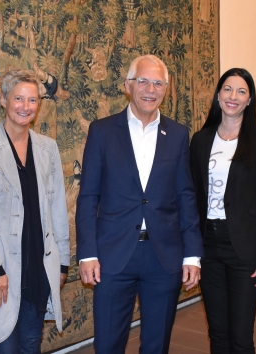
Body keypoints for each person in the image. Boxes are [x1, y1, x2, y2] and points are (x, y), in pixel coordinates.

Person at [76, 54, 203, 354]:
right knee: (107, 343)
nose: (150, 89)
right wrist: (87, 253)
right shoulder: (102, 131)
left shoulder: (178, 134)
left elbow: (186, 196)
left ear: (166, 89)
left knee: (156, 345)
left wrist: (193, 256)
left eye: (158, 83)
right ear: (128, 86)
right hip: (112, 256)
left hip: (164, 257)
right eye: (143, 81)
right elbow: (88, 196)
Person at [0, 68, 70, 353]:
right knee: (6, 346)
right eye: (18, 98)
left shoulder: (48, 148)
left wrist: (62, 262)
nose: (25, 107)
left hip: (37, 266)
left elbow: (57, 207)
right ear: (3, 99)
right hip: (2, 269)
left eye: (32, 100)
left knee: (31, 343)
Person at [190, 68, 256, 354]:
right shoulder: (201, 140)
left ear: (249, 100)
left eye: (241, 91)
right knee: (217, 333)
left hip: (245, 250)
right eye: (228, 89)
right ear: (218, 96)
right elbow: (192, 198)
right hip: (209, 247)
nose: (233, 96)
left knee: (241, 336)